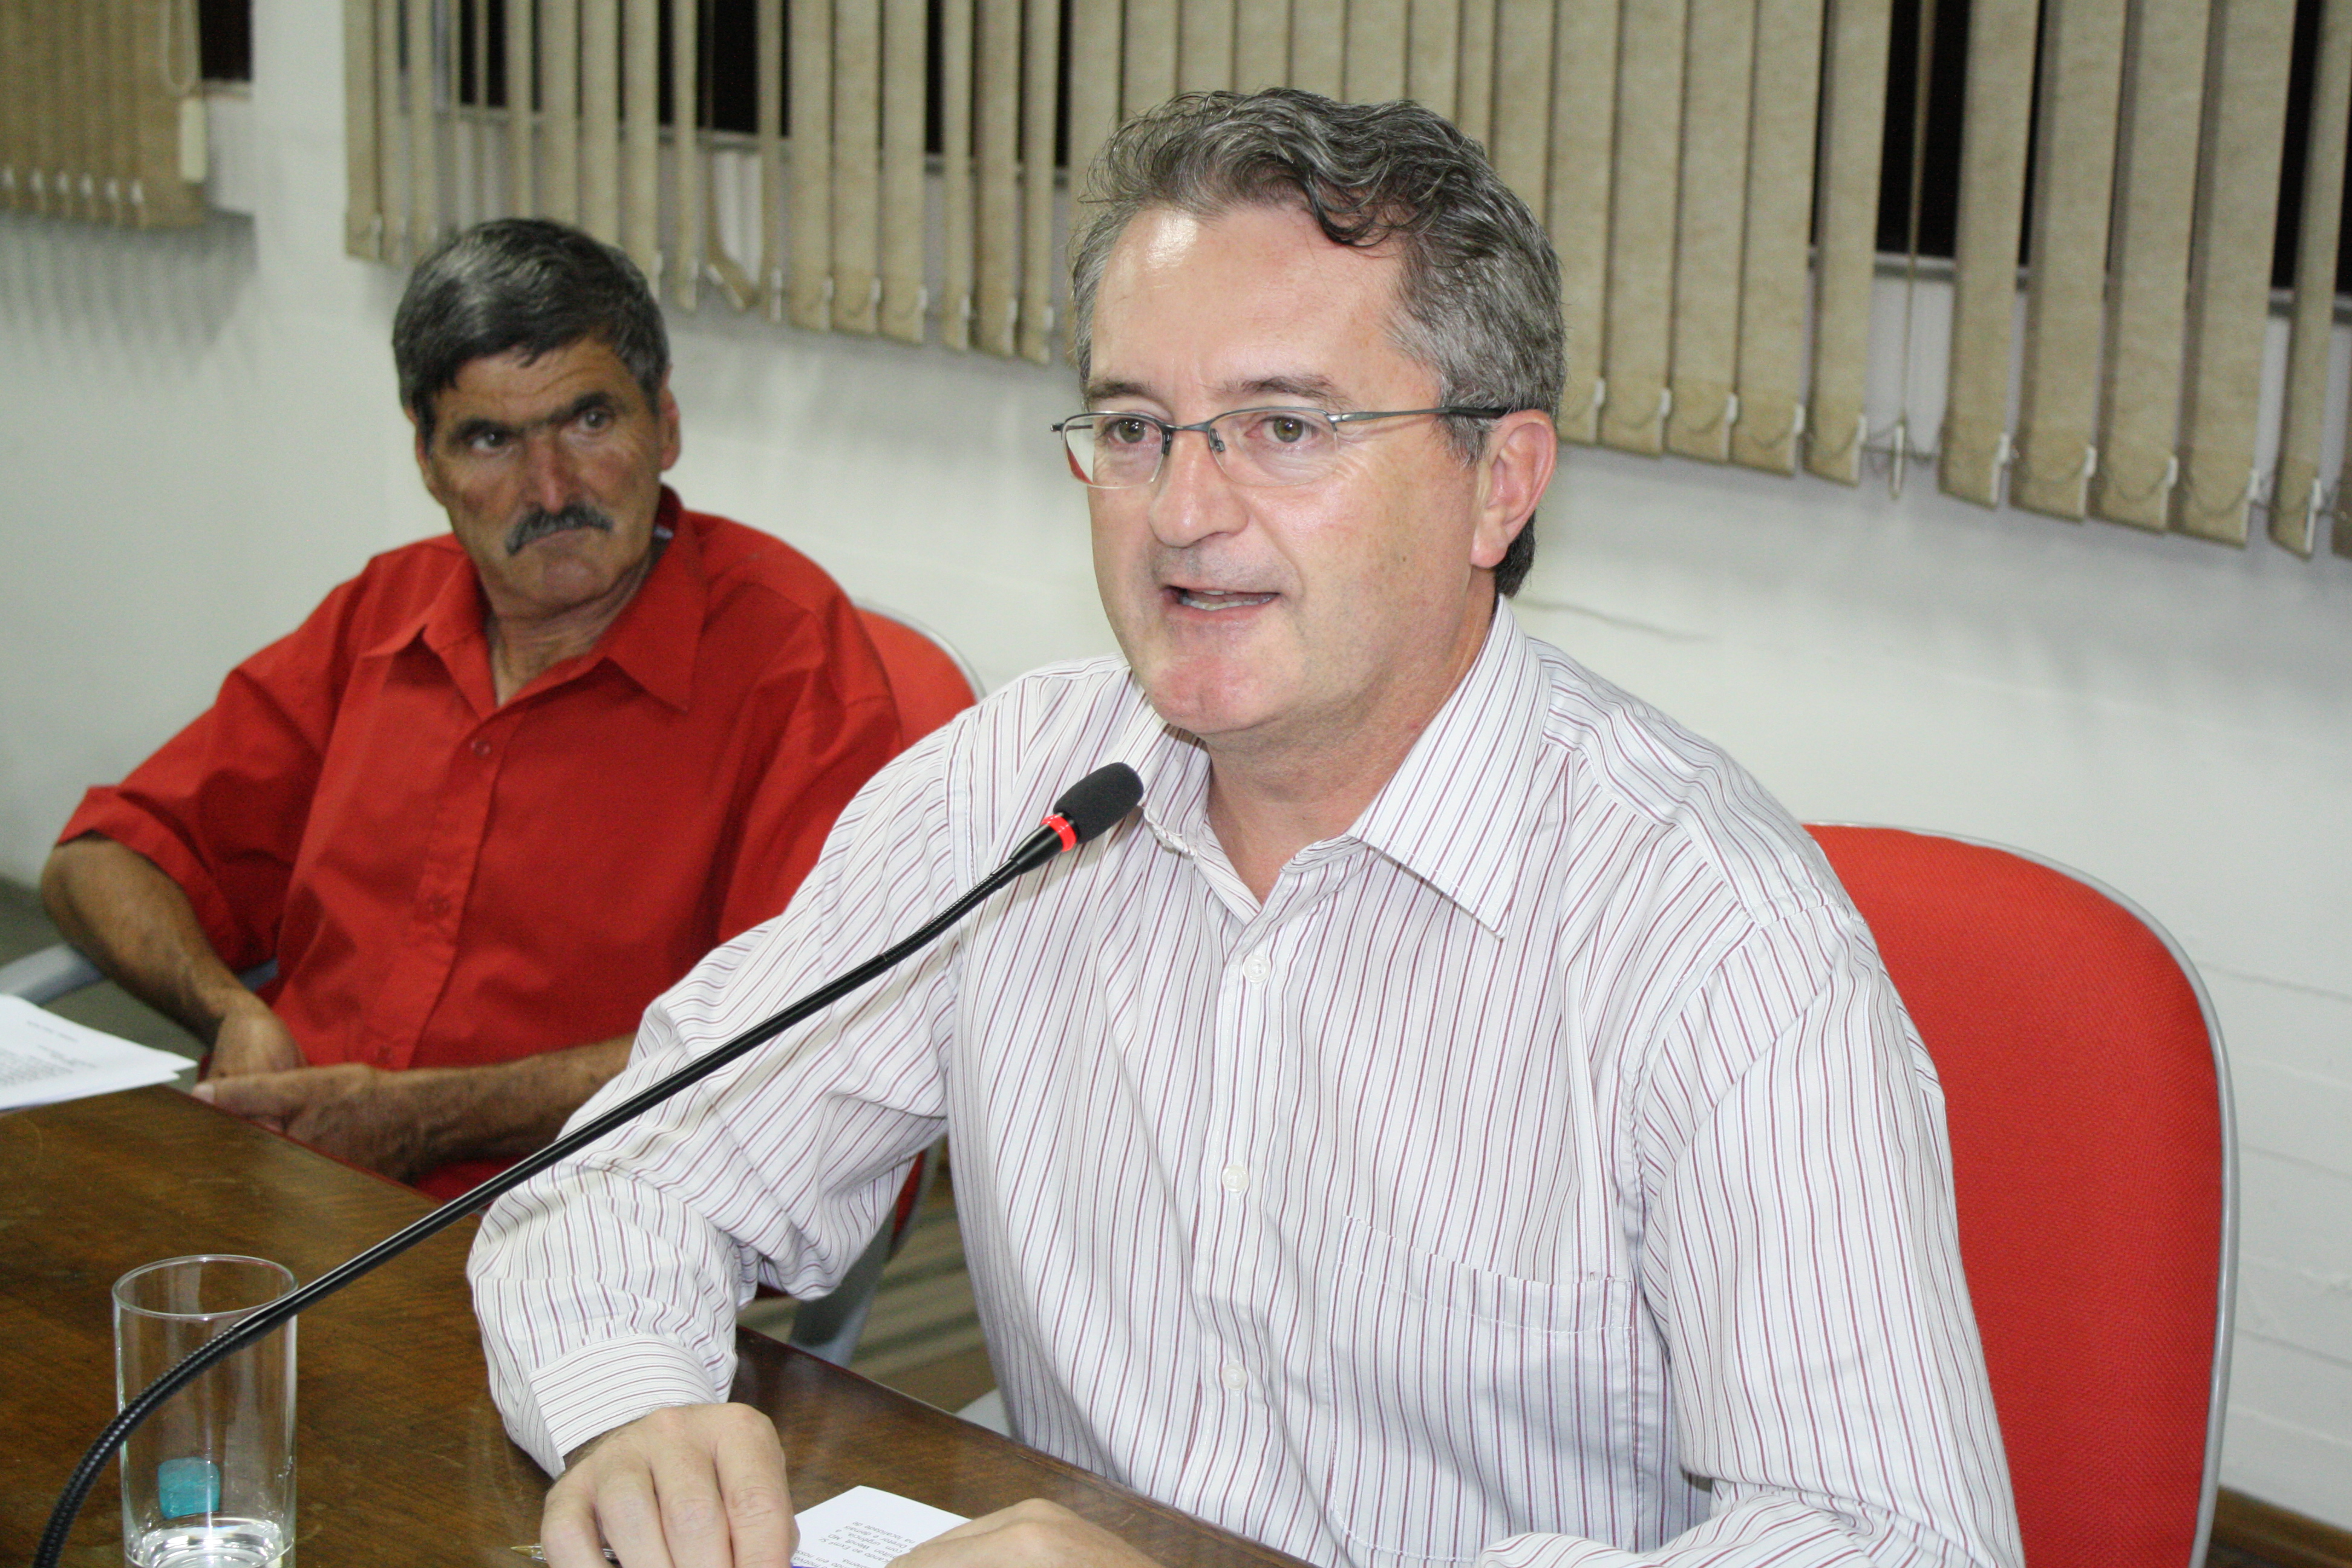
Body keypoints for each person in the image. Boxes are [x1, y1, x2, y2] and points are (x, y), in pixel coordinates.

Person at [469, 93, 2024, 1568]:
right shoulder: (1016, 790)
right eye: (1137, 428)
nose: (1183, 512)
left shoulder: (1716, 940)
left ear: (1500, 481)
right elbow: (625, 1180)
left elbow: (1896, 1541)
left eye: (1283, 428)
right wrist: (637, 1415)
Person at [41, 218, 903, 1200]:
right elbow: (102, 860)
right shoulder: (384, 613)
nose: (552, 488)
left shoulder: (791, 662)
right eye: (491, 439)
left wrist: (432, 1117)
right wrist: (228, 1012)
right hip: (285, 1181)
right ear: (429, 461)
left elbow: (798, 1028)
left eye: (589, 421)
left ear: (664, 423)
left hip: (587, 1223)